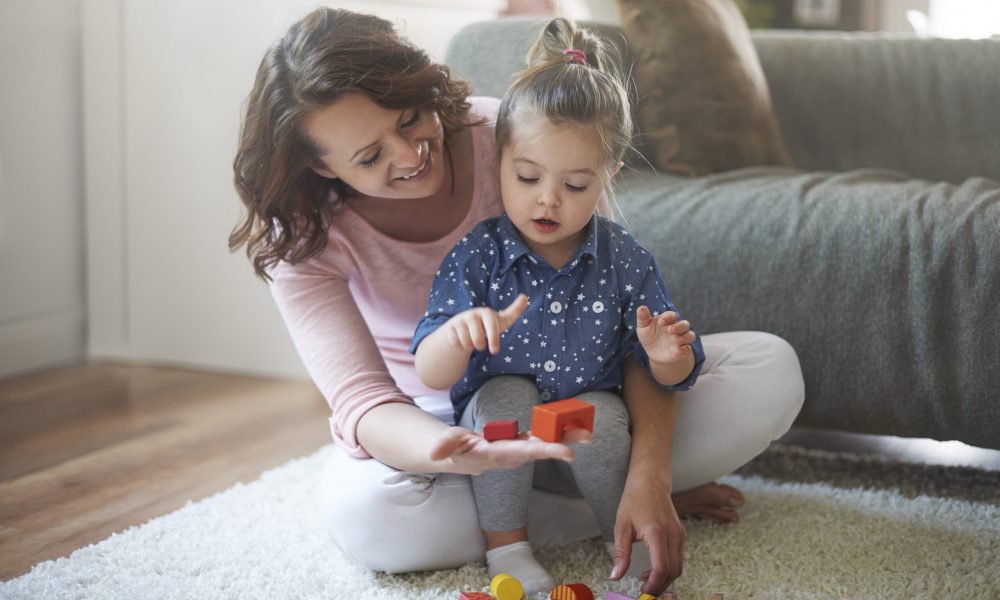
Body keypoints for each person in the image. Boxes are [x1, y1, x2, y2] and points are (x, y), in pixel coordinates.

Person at [230, 6, 804, 596]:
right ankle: (564, 516)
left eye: (410, 118)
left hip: (591, 399)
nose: (409, 155)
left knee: (771, 369)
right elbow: (365, 403)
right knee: (371, 519)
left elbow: (624, 327)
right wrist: (449, 452)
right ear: (319, 165)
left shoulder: (519, 138)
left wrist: (650, 475)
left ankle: (610, 498)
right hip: (438, 418)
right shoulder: (299, 238)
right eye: (370, 157)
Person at [409, 17, 707, 593]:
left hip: (586, 421)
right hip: (500, 427)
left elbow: (669, 377)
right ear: (499, 161)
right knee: (505, 400)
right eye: (527, 177)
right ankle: (508, 548)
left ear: (608, 177)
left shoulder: (625, 258)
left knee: (604, 419)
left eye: (574, 186)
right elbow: (430, 369)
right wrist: (458, 333)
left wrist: (667, 357)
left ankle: (621, 536)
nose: (548, 200)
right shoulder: (479, 254)